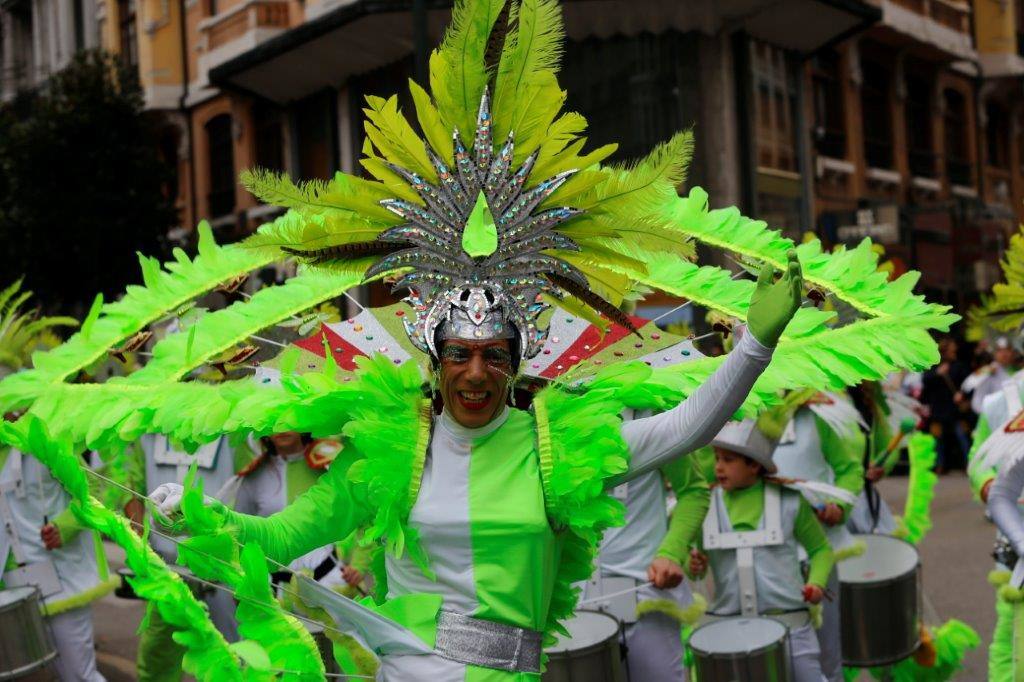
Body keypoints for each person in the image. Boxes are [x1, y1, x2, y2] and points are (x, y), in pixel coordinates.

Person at [687, 419, 834, 682]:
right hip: (728, 627)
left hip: (791, 626)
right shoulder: (704, 504)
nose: (718, 467)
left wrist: (817, 583)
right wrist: (695, 565)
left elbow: (821, 549)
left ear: (754, 465)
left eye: (729, 460)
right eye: (717, 458)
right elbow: (698, 565)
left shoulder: (790, 500)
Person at [584, 425, 709, 681]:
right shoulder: (553, 414)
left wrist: (671, 554)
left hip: (646, 596)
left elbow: (693, 491)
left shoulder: (654, 414)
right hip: (574, 604)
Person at [132, 433, 255, 682]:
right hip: (165, 568)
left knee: (226, 654)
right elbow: (132, 485)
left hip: (219, 570)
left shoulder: (234, 435)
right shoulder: (146, 435)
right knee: (158, 654)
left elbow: (250, 494)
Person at [0, 437, 116, 681]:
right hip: (15, 585)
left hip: (63, 578)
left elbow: (91, 488)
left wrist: (66, 526)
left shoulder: (48, 438)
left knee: (79, 675)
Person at [771, 390, 863, 682]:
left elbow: (849, 470)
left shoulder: (818, 414)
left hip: (818, 552)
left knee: (825, 655)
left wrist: (839, 505)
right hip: (764, 556)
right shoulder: (739, 414)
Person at [967, 371, 1024, 681]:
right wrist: (988, 485)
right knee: (1011, 646)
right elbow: (979, 459)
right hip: (1017, 551)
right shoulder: (1001, 400)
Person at [920, 338, 972, 471]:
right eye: (951, 349)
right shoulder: (934, 366)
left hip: (955, 409)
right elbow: (925, 380)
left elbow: (969, 383)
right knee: (938, 438)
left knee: (962, 436)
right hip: (939, 408)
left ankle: (969, 463)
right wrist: (938, 373)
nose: (954, 351)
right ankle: (940, 465)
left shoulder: (959, 366)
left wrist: (962, 393)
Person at [963, 336, 1018, 415]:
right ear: (994, 353)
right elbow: (975, 400)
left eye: (1007, 350)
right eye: (1000, 350)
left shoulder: (1018, 369)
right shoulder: (987, 371)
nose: (1004, 354)